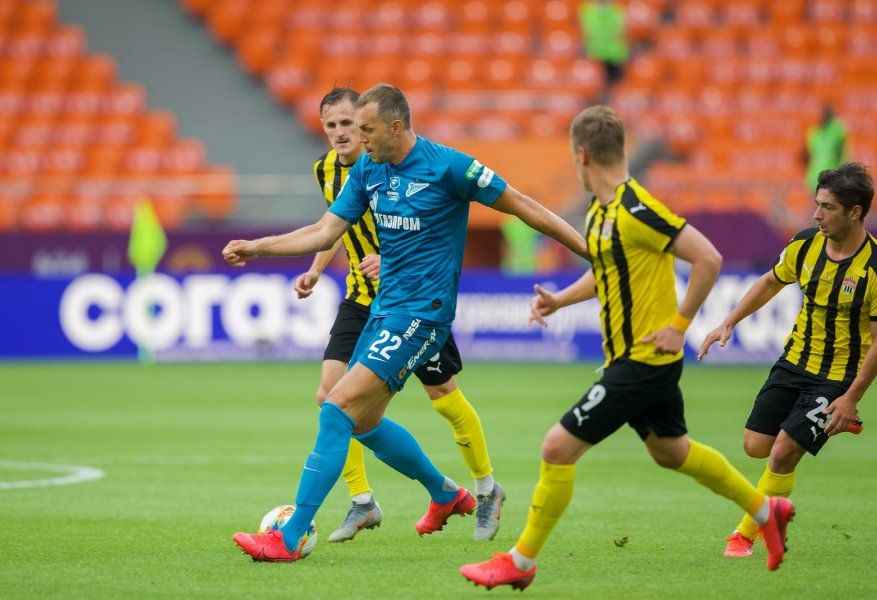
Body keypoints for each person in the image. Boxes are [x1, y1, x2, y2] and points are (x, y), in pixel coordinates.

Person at [224, 83, 589, 562]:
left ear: (396, 127)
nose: (359, 138)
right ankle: (445, 493)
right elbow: (323, 231)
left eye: (367, 129)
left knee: (337, 409)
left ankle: (289, 537)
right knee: (363, 422)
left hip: (422, 316)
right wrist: (257, 247)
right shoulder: (368, 170)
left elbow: (526, 206)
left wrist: (592, 254)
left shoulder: (451, 168)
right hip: (381, 311)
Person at [460, 106, 795, 590]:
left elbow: (708, 257)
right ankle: (766, 511)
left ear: (581, 155)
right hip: (634, 359)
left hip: (643, 360)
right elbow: (606, 273)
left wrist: (680, 325)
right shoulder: (601, 213)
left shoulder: (636, 209)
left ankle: (521, 561)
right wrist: (559, 299)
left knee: (557, 447)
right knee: (672, 452)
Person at [296, 86, 505, 543]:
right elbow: (332, 226)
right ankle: (362, 500)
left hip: (414, 301)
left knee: (444, 397)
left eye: (350, 124)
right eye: (331, 125)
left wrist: (390, 261)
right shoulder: (327, 170)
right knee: (332, 396)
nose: (342, 133)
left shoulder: (395, 162)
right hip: (362, 299)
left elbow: (426, 229)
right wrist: (316, 268)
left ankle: (485, 487)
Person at [699, 162, 873, 559]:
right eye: (817, 204)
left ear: (855, 212)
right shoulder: (806, 244)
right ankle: (831, 423)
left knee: (782, 453)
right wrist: (728, 322)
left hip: (837, 376)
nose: (816, 214)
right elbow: (770, 282)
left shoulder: (873, 267)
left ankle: (745, 536)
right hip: (794, 361)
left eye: (827, 207)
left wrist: (850, 397)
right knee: (755, 446)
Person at [578, 0, 628, 84]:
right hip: (594, 53)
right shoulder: (586, 9)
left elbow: (621, 30)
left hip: (615, 54)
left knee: (616, 82)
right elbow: (586, 30)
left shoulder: (617, 9)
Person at [805, 106, 849, 192]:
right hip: (815, 176)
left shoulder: (836, 131)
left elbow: (842, 151)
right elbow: (810, 154)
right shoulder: (814, 132)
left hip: (832, 175)